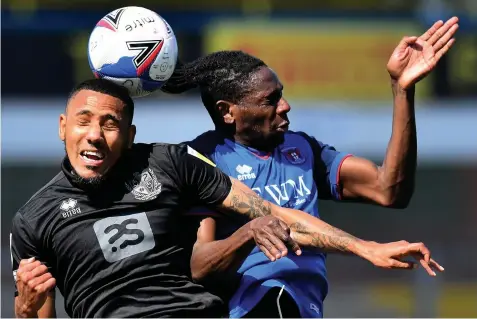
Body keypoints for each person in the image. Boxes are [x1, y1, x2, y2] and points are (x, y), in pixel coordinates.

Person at [10, 79, 441, 318]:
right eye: (84, 122)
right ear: (63, 127)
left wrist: (364, 247)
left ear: (129, 135)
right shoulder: (33, 220)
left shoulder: (169, 163)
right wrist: (26, 310)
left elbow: (272, 214)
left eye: (110, 124)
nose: (94, 135)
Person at [158, 17, 458, 318]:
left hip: (304, 304)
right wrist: (249, 232)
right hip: (255, 303)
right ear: (227, 112)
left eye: (282, 94)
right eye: (270, 100)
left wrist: (402, 91)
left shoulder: (301, 148)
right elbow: (200, 265)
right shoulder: (202, 160)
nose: (285, 105)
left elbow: (389, 190)